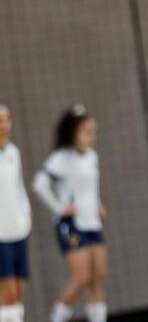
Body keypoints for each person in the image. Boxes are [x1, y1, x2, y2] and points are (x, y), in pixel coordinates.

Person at [31, 106, 106, 322]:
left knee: (98, 278)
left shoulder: (92, 156)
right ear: (74, 132)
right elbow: (40, 184)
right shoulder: (61, 158)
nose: (92, 137)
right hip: (72, 225)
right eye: (87, 132)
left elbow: (90, 188)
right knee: (81, 277)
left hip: (93, 223)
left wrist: (98, 205)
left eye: (94, 132)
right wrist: (59, 207)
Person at [0, 104, 31, 322]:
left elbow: (19, 187)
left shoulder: (13, 152)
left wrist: (26, 214)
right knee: (8, 294)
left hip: (18, 231)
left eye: (6, 118)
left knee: (19, 292)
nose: (3, 124)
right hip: (0, 236)